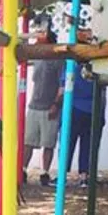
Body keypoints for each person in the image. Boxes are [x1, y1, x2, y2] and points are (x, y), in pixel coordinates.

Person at [22, 29, 63, 187]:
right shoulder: (37, 57)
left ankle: (44, 172)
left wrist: (55, 104)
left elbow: (62, 84)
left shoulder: (57, 59)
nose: (36, 38)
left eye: (40, 36)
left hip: (49, 107)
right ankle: (23, 169)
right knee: (28, 141)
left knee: (48, 143)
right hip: (34, 105)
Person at [63, 66, 105, 188]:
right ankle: (84, 176)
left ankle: (63, 176)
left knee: (68, 143)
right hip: (94, 110)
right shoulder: (100, 68)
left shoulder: (71, 67)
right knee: (88, 145)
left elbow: (63, 87)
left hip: (75, 109)